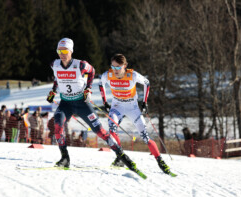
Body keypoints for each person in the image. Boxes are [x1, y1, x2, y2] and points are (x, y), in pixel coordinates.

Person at [46, 38, 138, 171]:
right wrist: (53, 91)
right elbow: (57, 77)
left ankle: (121, 155)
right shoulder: (54, 64)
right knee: (58, 126)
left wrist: (88, 88)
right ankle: (65, 158)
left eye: (65, 50)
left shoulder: (81, 65)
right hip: (65, 103)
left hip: (81, 103)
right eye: (59, 51)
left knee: (99, 131)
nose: (62, 54)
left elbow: (92, 71)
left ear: (71, 51)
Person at [99, 53, 172, 175]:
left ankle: (160, 161)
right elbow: (101, 84)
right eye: (113, 67)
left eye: (118, 67)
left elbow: (147, 83)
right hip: (117, 107)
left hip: (132, 108)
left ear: (125, 66)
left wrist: (144, 102)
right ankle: (120, 156)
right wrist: (105, 101)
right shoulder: (108, 75)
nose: (115, 70)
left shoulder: (132, 75)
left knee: (145, 137)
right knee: (112, 130)